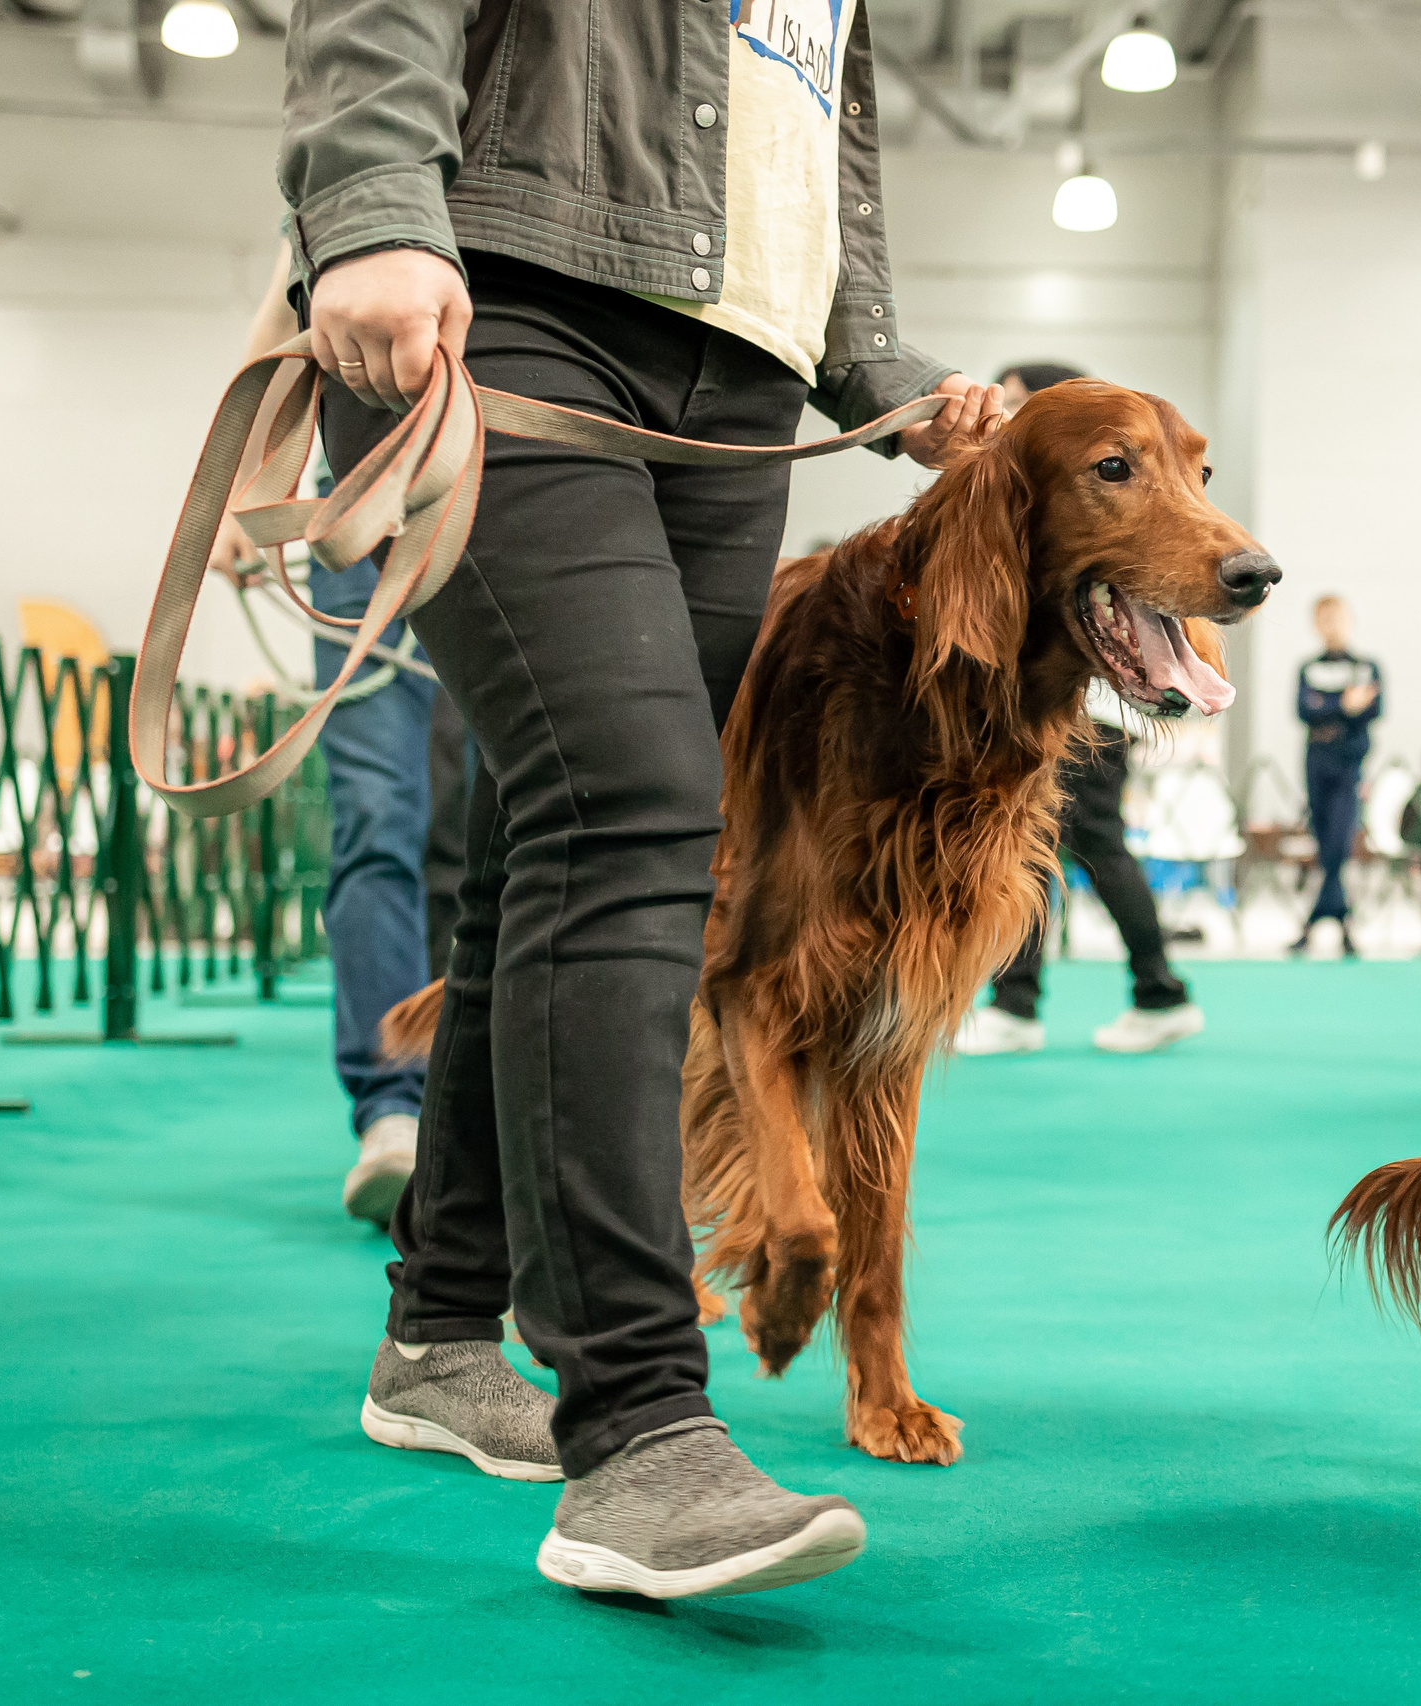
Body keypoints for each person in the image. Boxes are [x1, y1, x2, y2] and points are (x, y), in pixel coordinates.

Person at [281, 0, 1003, 1599]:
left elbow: (818, 123)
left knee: (548, 829)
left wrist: (873, 360)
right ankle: (637, 1427)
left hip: (742, 377)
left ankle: (439, 1333)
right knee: (639, 809)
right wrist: (373, 209)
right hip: (518, 301)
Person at [210, 245, 437, 1229]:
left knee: (512, 823)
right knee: (378, 809)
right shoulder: (359, 145)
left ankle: (495, 1115)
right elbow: (284, 323)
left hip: (518, 506)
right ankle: (393, 1109)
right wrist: (238, 491)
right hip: (363, 519)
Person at [956, 362, 1204, 1057]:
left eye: (1010, 404)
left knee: (1047, 850)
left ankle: (1036, 1002)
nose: (997, 420)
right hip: (1093, 712)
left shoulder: (1097, 496)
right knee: (1066, 851)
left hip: (1093, 716)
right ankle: (1144, 992)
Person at [1293, 594, 1382, 957]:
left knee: (1338, 845)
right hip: (1316, 761)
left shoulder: (1367, 666)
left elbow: (1374, 710)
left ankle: (1315, 921)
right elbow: (1303, 710)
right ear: (1316, 625)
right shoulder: (1308, 668)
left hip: (1350, 764)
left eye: (1338, 619)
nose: (1332, 626)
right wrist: (1343, 705)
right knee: (1324, 840)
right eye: (1324, 620)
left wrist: (1329, 709)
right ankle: (1339, 920)